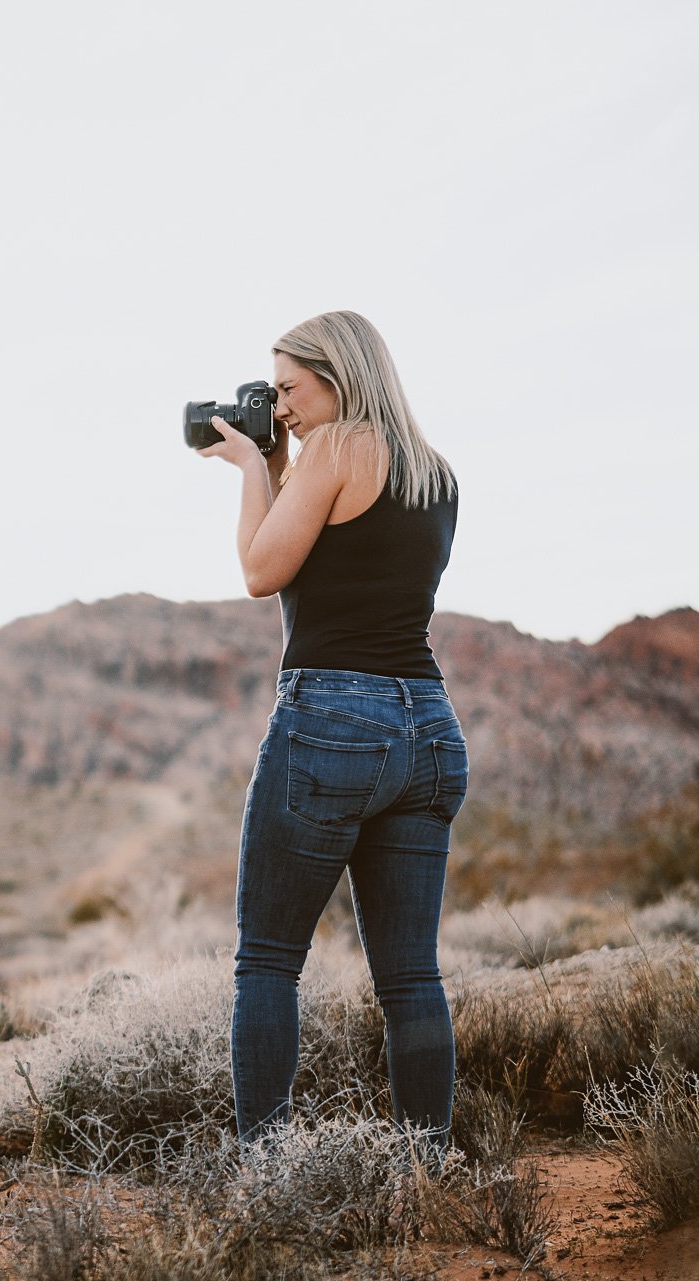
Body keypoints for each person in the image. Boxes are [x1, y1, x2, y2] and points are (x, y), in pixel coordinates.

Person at [193, 309, 466, 1155]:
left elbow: (261, 570)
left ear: (338, 378)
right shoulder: (436, 472)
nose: (280, 408)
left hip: (335, 719)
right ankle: (427, 1164)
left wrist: (250, 466)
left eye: (288, 389)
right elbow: (328, 571)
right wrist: (275, 461)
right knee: (411, 975)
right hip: (428, 727)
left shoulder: (339, 446)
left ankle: (267, 1172)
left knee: (268, 960)